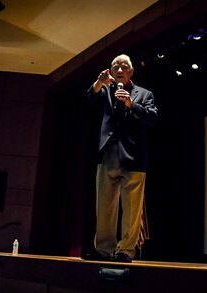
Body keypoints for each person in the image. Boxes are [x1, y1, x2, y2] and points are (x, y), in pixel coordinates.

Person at [82, 54, 158, 263]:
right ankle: (104, 250)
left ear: (131, 71)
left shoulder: (144, 94)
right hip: (107, 154)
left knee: (132, 208)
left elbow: (152, 118)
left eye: (124, 66)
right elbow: (89, 98)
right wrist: (99, 82)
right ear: (111, 71)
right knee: (104, 206)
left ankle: (125, 250)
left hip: (133, 157)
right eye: (116, 66)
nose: (120, 69)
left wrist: (130, 104)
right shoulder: (105, 90)